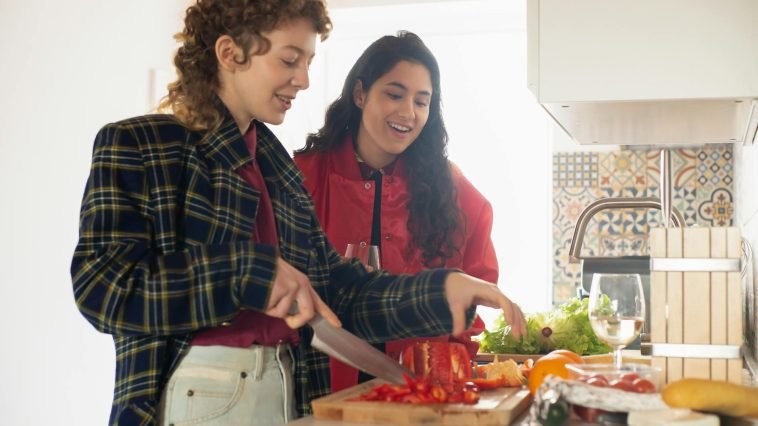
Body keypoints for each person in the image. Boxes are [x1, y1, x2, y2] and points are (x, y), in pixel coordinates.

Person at [71, 1, 526, 425]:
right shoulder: (140, 144)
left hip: (289, 393)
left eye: (308, 61)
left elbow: (337, 293)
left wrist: (441, 290)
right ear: (230, 53)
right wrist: (248, 273)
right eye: (290, 60)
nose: (305, 79)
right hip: (195, 398)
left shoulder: (278, 169)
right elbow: (102, 286)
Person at [294, 31, 501, 393]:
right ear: (360, 94)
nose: (408, 113)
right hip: (319, 390)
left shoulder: (454, 192)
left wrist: (449, 369)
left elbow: (475, 293)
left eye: (422, 102)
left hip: (418, 394)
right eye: (394, 94)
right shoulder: (300, 177)